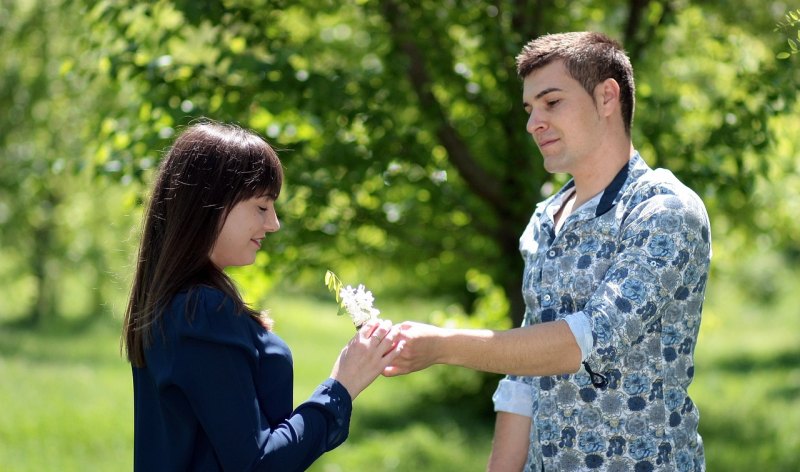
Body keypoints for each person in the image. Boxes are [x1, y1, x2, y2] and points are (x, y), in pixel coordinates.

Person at [384, 32, 711, 472]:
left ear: (607, 97)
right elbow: (524, 376)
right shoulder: (546, 216)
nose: (532, 122)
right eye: (529, 108)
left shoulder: (665, 210)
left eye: (551, 102)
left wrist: (443, 346)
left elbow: (584, 340)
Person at [121, 120, 402, 471]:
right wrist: (341, 385)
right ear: (209, 205)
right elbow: (257, 464)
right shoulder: (201, 310)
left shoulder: (177, 303)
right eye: (261, 207)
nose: (274, 224)